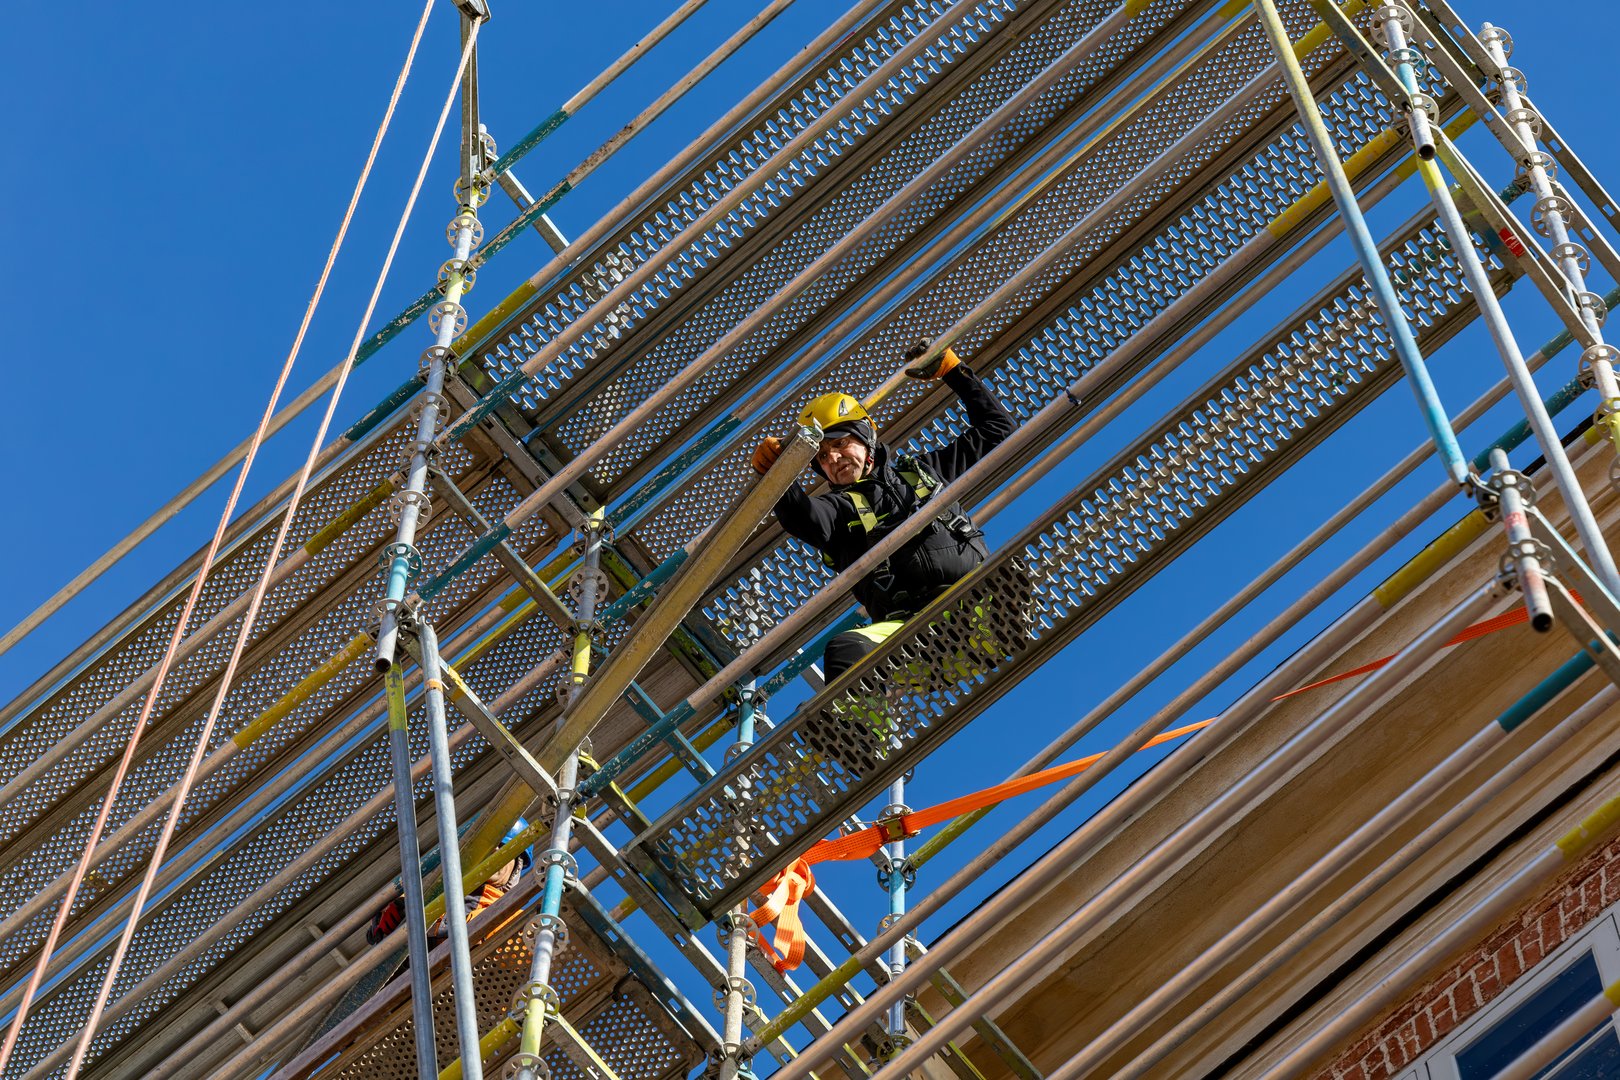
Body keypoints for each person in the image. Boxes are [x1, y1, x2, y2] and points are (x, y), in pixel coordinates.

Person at [750, 343, 1016, 684]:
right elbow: (804, 519)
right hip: (915, 634)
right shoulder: (837, 510)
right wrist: (777, 478)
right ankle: (858, 735)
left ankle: (999, 621)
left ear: (865, 438)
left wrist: (953, 372)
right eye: (822, 457)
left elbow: (997, 431)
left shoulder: (922, 473)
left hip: (979, 598)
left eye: (840, 444)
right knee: (846, 651)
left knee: (1009, 568)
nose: (832, 459)